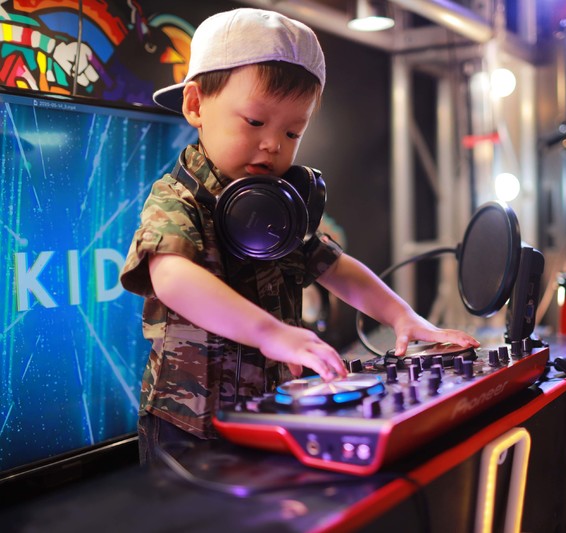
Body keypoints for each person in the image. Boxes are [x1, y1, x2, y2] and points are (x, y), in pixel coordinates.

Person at [120, 8, 479, 463]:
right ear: (196, 105)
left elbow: (335, 268)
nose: (273, 144)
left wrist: (403, 317)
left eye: (292, 132)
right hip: (188, 426)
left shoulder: (279, 206)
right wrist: (270, 333)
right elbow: (172, 277)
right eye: (255, 122)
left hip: (267, 411)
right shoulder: (177, 197)